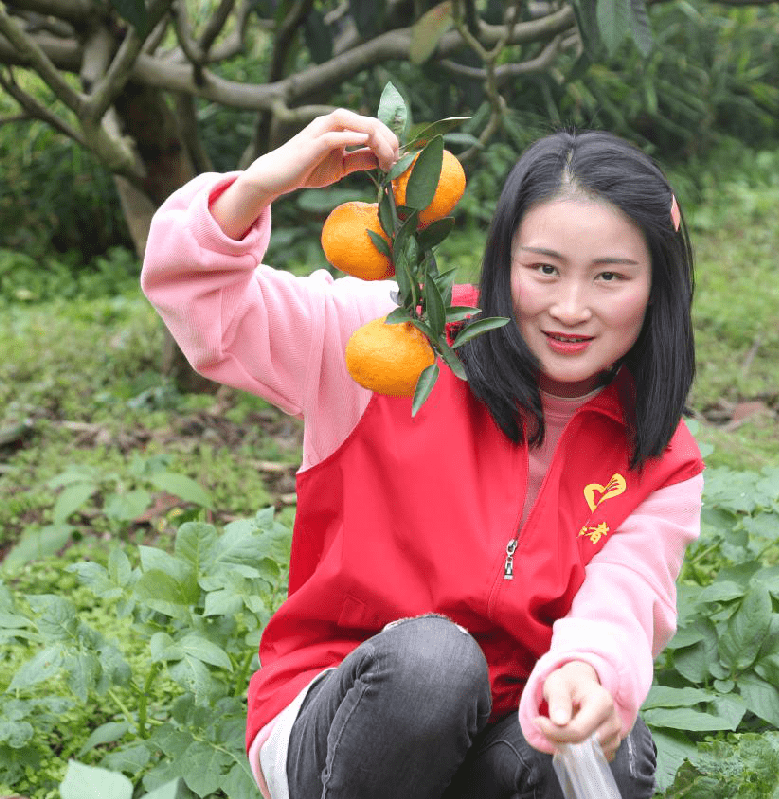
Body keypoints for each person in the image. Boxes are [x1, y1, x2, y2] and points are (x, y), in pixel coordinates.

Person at [141, 109, 705, 799]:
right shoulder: (392, 344)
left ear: (657, 286)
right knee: (434, 664)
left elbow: (627, 594)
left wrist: (589, 670)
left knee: (608, 750)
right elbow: (203, 302)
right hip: (348, 715)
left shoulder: (660, 455)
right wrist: (259, 186)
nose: (570, 306)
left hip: (503, 727)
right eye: (544, 269)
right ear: (505, 262)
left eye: (610, 277)